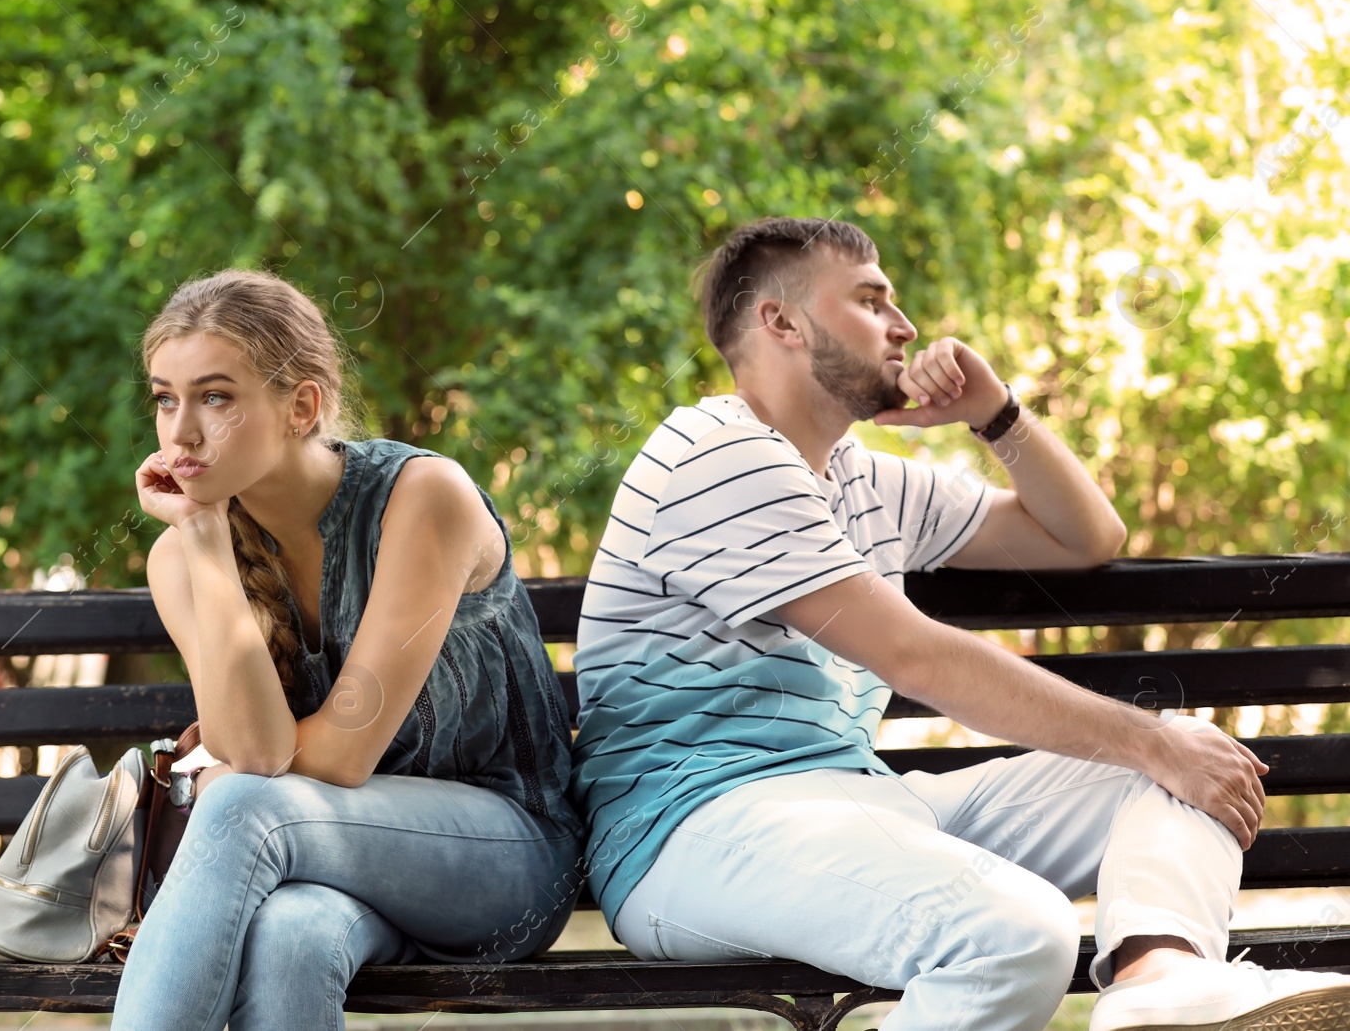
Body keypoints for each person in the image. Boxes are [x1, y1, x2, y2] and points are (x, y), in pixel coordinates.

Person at [569, 216, 1350, 1031]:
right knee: (1014, 936)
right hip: (691, 833)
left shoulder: (865, 479)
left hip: (854, 799)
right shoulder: (716, 451)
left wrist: (996, 412)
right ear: (782, 321)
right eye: (872, 300)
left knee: (1191, 766)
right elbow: (916, 657)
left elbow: (1085, 536)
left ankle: (1161, 983)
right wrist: (1147, 737)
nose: (905, 326)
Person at [112, 268, 585, 1031]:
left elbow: (337, 758)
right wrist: (203, 539)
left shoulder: (422, 497)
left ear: (301, 406)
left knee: (238, 804)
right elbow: (256, 751)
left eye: (217, 396)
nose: (181, 432)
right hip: (326, 863)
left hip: (506, 858)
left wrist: (250, 764)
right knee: (289, 937)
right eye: (166, 397)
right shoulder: (181, 556)